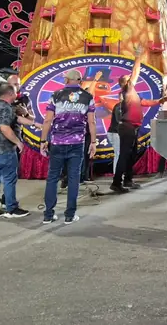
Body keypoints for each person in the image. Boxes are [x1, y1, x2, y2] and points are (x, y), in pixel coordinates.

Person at [40, 70, 97, 224]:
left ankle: (48, 215)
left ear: (66, 80)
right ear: (80, 80)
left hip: (57, 143)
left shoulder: (56, 95)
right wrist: (93, 142)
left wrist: (43, 141)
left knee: (52, 178)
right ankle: (69, 215)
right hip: (77, 143)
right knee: (73, 178)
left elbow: (47, 120)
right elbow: (92, 122)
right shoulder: (88, 97)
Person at [111, 44, 166, 193]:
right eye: (128, 79)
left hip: (133, 127)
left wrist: (159, 101)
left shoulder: (133, 94)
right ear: (125, 82)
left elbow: (145, 102)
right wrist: (137, 57)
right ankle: (116, 183)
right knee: (124, 155)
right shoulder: (127, 89)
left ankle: (128, 180)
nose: (131, 79)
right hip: (127, 127)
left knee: (132, 154)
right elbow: (135, 72)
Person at [0, 83, 29, 220]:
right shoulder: (7, 108)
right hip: (5, 148)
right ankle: (11, 208)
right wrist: (18, 142)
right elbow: (5, 128)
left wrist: (33, 122)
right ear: (9, 94)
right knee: (9, 179)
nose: (16, 94)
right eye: (14, 91)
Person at [107, 94, 122, 177]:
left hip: (115, 132)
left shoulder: (121, 107)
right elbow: (119, 121)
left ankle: (118, 174)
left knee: (118, 153)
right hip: (115, 133)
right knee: (118, 153)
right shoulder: (119, 107)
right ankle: (117, 175)